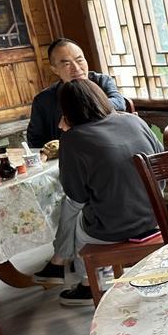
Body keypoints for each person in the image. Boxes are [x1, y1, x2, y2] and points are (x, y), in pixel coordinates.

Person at [55, 79, 162, 305]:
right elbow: (161, 163)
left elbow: (77, 195)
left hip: (112, 231)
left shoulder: (73, 139)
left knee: (72, 215)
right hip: (155, 218)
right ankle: (67, 262)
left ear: (66, 111)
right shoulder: (134, 120)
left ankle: (86, 282)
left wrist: (70, 133)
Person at [30, 37, 127, 284]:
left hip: (100, 166)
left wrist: (78, 116)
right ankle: (69, 263)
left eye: (80, 59)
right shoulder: (44, 100)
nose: (76, 68)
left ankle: (71, 267)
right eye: (66, 63)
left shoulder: (100, 82)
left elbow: (118, 103)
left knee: (75, 201)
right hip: (62, 162)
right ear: (54, 69)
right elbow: (35, 139)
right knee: (69, 198)